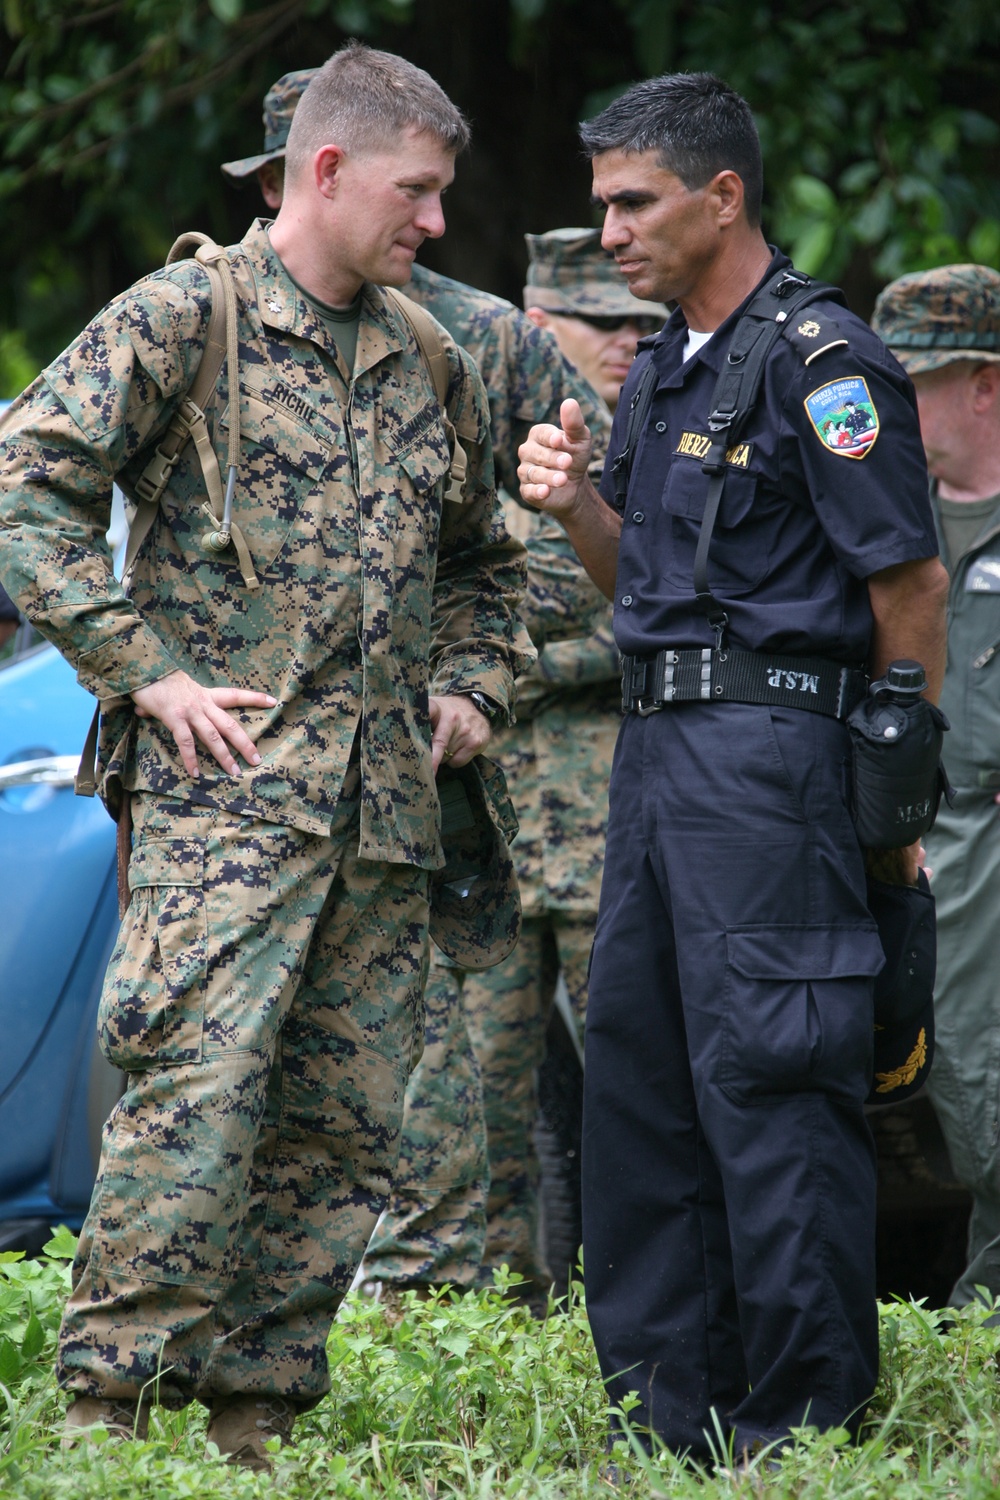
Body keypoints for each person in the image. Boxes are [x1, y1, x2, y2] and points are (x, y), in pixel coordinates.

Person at [0, 41, 531, 1469]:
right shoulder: (187, 318)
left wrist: (474, 685)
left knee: (345, 1124)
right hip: (227, 808)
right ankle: (108, 1408)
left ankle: (255, 1417)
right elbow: (25, 491)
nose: (433, 222)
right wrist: (147, 672)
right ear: (329, 168)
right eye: (416, 193)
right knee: (194, 1092)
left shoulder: (432, 356)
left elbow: (492, 563)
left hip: (383, 819)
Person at [517, 71, 949, 1459]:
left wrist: (889, 782)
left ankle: (801, 1428)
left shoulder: (828, 363)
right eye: (601, 203)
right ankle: (670, 1424)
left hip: (771, 763)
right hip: (655, 754)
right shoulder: (658, 370)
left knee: (772, 1085)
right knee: (641, 1091)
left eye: (633, 202)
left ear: (722, 196)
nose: (611, 232)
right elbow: (633, 582)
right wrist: (576, 496)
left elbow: (910, 586)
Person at [223, 67, 623, 1301]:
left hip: (482, 804)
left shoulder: (482, 341)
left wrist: (451, 664)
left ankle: (549, 1340)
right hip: (279, 803)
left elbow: (582, 557)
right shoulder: (206, 327)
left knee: (521, 1106)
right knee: (344, 1114)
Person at [364, 233, 665, 1299]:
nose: (624, 348)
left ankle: (647, 1306)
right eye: (600, 327)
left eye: (636, 327)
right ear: (538, 320)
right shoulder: (467, 419)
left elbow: (643, 603)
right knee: (477, 1100)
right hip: (486, 828)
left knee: (637, 1077)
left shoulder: (637, 442)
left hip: (595, 825)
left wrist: (520, 662)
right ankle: (491, 1317)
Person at [872, 265, 1000, 1308]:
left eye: (910, 383)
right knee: (958, 1090)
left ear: (984, 384)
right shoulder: (886, 517)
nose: (888, 408)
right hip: (925, 845)